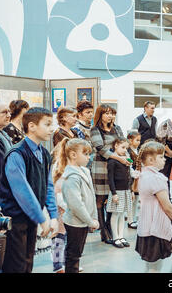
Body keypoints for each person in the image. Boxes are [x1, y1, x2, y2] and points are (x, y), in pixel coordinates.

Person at [0, 107, 58, 273]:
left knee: (27, 263)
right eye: (47, 124)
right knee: (15, 266)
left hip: (31, 219)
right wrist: (42, 219)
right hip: (15, 220)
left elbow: (48, 186)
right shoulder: (16, 153)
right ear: (31, 126)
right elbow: (22, 192)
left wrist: (53, 215)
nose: (52, 129)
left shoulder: (44, 153)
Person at [135, 141, 172, 273]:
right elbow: (167, 206)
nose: (164, 159)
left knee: (151, 265)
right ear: (150, 159)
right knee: (155, 266)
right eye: (161, 157)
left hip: (146, 225)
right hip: (155, 227)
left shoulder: (143, 174)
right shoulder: (156, 178)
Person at [58, 138, 99, 273]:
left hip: (84, 221)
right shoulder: (72, 176)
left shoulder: (84, 171)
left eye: (89, 154)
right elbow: (76, 204)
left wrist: (94, 217)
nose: (89, 157)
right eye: (85, 154)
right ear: (73, 155)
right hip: (75, 222)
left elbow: (91, 196)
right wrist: (89, 221)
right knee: (73, 256)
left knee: (77, 254)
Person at [91, 104, 129, 244]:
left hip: (117, 169)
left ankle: (112, 230)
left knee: (114, 199)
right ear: (100, 115)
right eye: (107, 113)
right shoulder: (95, 130)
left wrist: (127, 159)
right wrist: (119, 158)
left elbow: (123, 144)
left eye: (112, 113)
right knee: (100, 200)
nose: (110, 116)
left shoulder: (117, 128)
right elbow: (101, 148)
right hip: (101, 168)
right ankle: (104, 232)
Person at [106, 137, 133, 248]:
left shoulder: (126, 160)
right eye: (122, 147)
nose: (125, 150)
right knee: (115, 214)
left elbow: (129, 176)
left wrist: (130, 190)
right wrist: (114, 193)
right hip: (117, 191)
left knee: (122, 214)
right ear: (116, 145)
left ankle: (121, 236)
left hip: (126, 191)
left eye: (126, 148)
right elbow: (110, 178)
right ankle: (115, 237)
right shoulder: (112, 161)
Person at [157, 112, 172, 206]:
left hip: (171, 155)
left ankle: (168, 200)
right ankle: (163, 201)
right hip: (162, 154)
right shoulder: (165, 125)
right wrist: (169, 153)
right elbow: (162, 142)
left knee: (167, 179)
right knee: (163, 178)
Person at [127, 131, 142, 229]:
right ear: (130, 140)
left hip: (138, 177)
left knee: (136, 198)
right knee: (131, 199)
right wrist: (134, 173)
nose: (139, 142)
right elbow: (129, 165)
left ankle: (134, 218)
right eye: (137, 140)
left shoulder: (138, 150)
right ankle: (130, 220)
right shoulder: (128, 152)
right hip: (131, 178)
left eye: (139, 140)